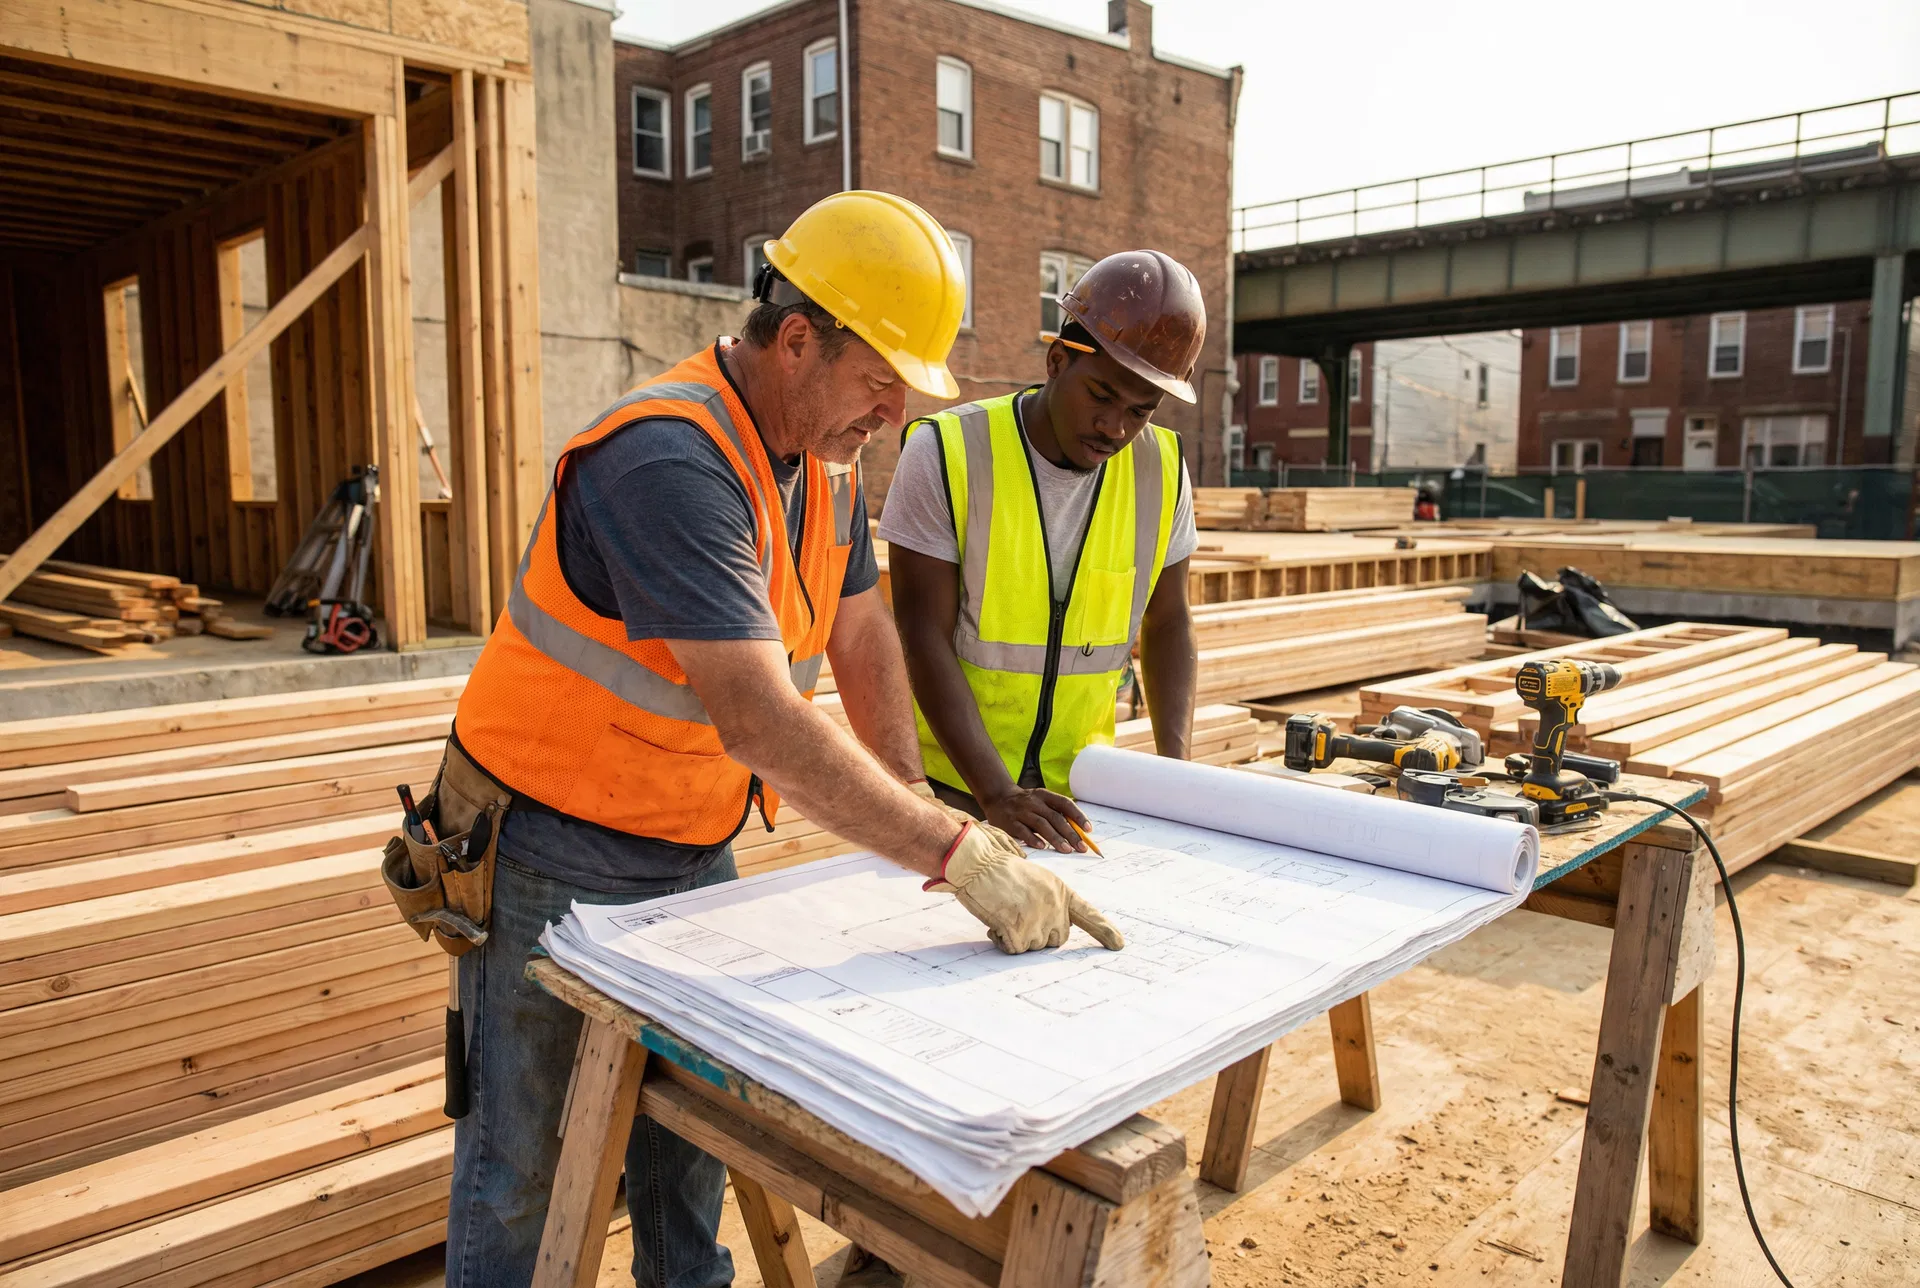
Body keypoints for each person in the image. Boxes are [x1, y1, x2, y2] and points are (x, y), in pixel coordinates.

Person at [439, 191, 1122, 1288]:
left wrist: (917, 795)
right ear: (798, 338)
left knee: (686, 1136)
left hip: (689, 840)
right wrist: (954, 852)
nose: (891, 414)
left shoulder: (820, 459)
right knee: (524, 1156)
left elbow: (860, 634)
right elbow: (757, 714)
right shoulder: (667, 458)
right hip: (544, 847)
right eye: (878, 380)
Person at [881, 250, 1204, 855]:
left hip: (1081, 795)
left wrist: (1174, 774)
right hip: (951, 792)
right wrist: (997, 793)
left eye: (1140, 411)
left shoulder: (1162, 469)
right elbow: (921, 632)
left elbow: (1169, 622)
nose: (1114, 427)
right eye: (1101, 396)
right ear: (1058, 360)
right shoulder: (948, 451)